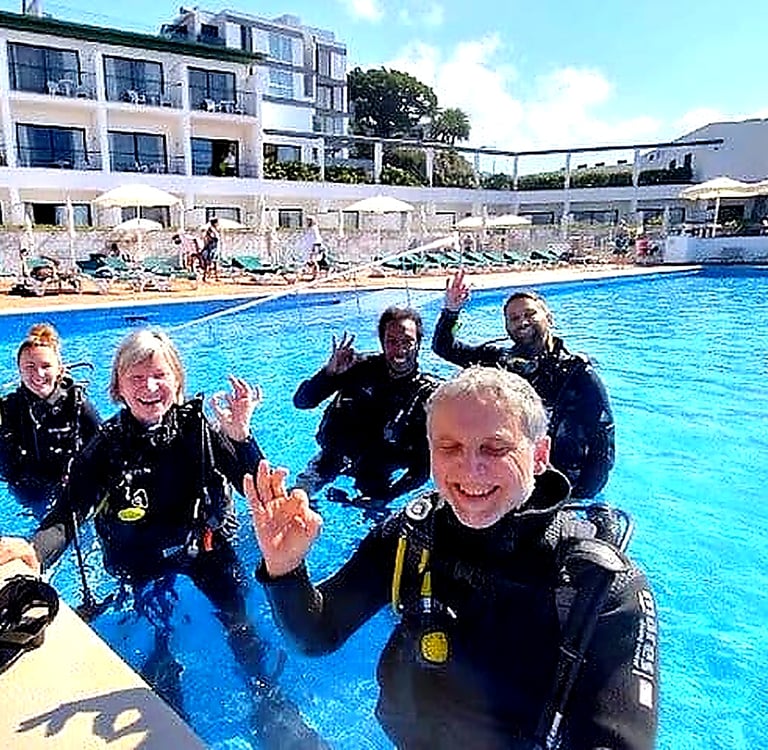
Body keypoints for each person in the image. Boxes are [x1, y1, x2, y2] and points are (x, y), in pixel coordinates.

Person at [246, 367, 658, 750]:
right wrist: (285, 569)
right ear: (430, 452)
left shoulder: (601, 585)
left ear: (539, 454)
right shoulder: (409, 534)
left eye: (495, 447)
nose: (470, 468)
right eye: (450, 447)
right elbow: (316, 635)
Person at [0, 329, 326, 747]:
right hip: (142, 560)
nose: (150, 388)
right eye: (136, 378)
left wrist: (243, 439)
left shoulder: (201, 431)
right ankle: (168, 712)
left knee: (240, 621)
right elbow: (67, 515)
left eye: (159, 375)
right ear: (117, 387)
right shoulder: (104, 447)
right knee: (158, 642)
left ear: (178, 381)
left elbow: (258, 489)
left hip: (204, 547)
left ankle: (269, 699)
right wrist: (34, 551)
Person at [432, 270, 614, 499]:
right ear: (507, 327)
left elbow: (603, 445)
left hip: (561, 483)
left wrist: (580, 496)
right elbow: (444, 347)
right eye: (514, 318)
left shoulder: (578, 374)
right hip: (510, 475)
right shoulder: (497, 362)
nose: (522, 321)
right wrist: (451, 311)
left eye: (529, 313)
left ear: (549, 318)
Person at [293, 306, 440, 505]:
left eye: (407, 342)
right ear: (382, 343)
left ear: (419, 344)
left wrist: (387, 496)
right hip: (334, 456)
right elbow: (302, 402)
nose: (400, 349)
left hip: (378, 470)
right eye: (392, 342)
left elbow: (423, 469)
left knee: (381, 523)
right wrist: (328, 374)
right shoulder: (358, 367)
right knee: (294, 499)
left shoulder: (427, 395)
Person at [0, 323, 100, 515]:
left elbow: (107, 448)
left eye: (46, 366)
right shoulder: (8, 409)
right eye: (29, 367)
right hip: (29, 489)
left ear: (59, 369)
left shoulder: (78, 405)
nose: (38, 374)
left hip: (72, 486)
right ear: (19, 371)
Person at [201, 217, 221, 282]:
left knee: (215, 262)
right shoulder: (211, 230)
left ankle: (216, 276)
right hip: (211, 247)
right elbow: (211, 238)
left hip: (214, 247)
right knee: (209, 263)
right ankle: (205, 277)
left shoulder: (215, 229)